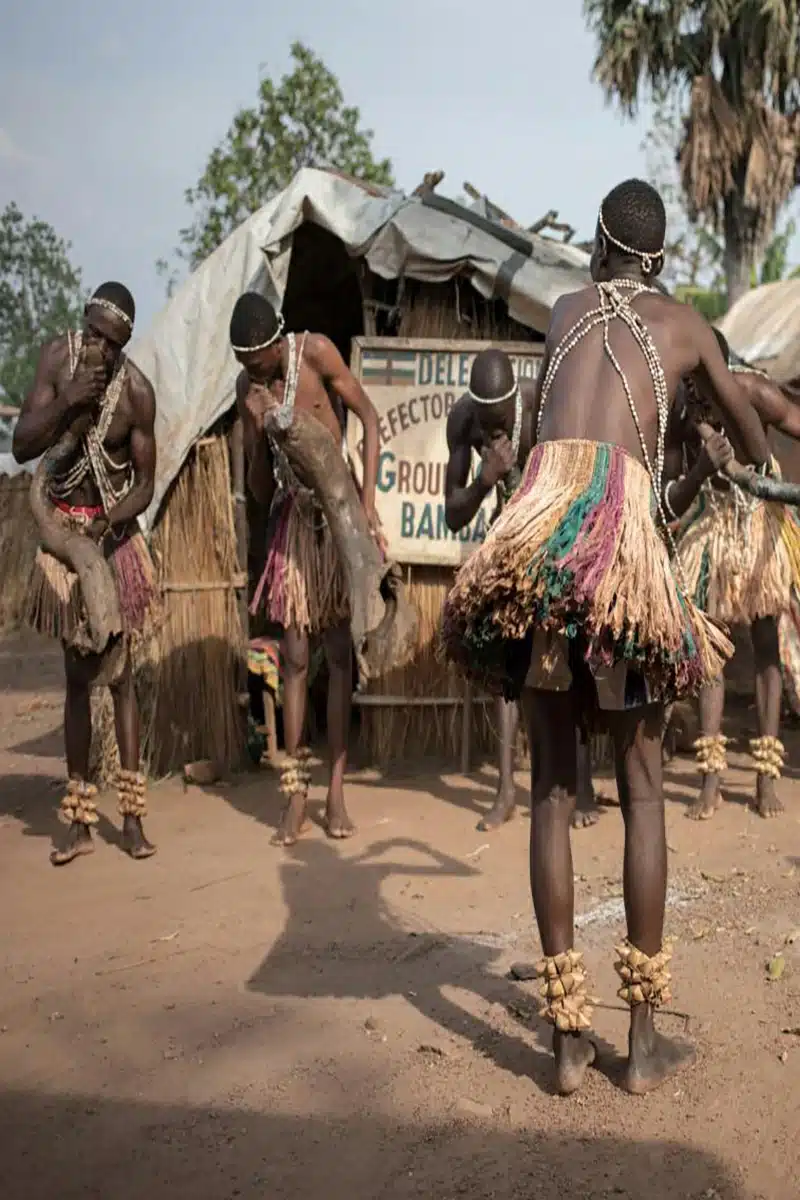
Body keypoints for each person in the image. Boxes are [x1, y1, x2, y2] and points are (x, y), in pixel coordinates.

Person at [441, 179, 769, 1096]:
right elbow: (749, 438)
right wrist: (718, 447)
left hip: (542, 536)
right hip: (616, 541)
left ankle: (564, 1044)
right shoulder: (685, 327)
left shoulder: (564, 312)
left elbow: (560, 431)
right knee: (643, 791)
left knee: (552, 791)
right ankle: (642, 1042)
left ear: (600, 247)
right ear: (658, 261)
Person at [13, 282, 159, 866]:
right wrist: (70, 400)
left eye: (111, 341)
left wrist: (106, 527)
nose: (99, 348)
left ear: (125, 345)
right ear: (83, 325)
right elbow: (24, 444)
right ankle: (78, 822)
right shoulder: (56, 360)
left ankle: (132, 817)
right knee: (77, 677)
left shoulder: (137, 394)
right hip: (62, 537)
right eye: (93, 333)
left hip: (114, 538)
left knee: (121, 676)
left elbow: (145, 485)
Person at [231, 292, 383, 847]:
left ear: (276, 341)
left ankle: (336, 792)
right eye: (244, 366)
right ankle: (297, 792)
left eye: (258, 361)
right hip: (294, 522)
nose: (253, 372)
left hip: (337, 516)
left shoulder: (314, 353)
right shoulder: (250, 391)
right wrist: (258, 435)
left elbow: (368, 417)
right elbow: (259, 488)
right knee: (294, 656)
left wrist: (364, 508)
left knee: (340, 656)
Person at [444, 347, 602, 831]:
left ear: (515, 403)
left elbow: (577, 479)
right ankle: (506, 789)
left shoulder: (542, 406)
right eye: (486, 423)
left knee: (570, 654)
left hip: (556, 529)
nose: (494, 430)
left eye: (501, 421)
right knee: (509, 661)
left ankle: (580, 779)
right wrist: (484, 479)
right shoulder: (463, 422)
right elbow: (453, 513)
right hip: (506, 537)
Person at [665, 330, 800, 820]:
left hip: (763, 519)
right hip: (715, 523)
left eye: (707, 382)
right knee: (711, 652)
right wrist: (701, 469)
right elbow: (672, 483)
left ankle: (766, 775)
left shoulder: (755, 392)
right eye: (694, 382)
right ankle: (711, 778)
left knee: (767, 644)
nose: (699, 392)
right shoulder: (682, 409)